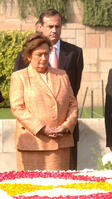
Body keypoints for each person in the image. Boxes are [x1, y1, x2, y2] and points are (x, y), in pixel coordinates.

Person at [13, 9, 83, 170]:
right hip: (33, 140)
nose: (54, 30)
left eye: (57, 26)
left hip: (62, 138)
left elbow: (73, 97)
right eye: (50, 26)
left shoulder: (73, 57)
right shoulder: (21, 71)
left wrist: (65, 125)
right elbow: (18, 106)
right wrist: (42, 128)